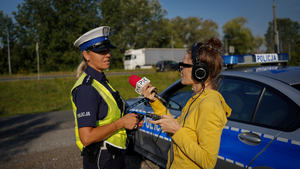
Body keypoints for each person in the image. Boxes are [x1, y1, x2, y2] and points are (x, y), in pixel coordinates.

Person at [142, 38, 232, 169]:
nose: (180, 70)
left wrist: (177, 131)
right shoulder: (197, 99)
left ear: (199, 71)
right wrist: (154, 101)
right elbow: (176, 130)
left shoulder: (209, 105)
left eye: (184, 65)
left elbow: (208, 162)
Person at [70, 26, 142, 169]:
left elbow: (107, 118)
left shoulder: (101, 81)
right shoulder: (86, 89)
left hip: (114, 155)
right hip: (102, 160)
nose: (107, 54)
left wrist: (129, 122)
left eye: (108, 50)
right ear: (87, 55)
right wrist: (121, 123)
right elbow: (87, 137)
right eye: (101, 51)